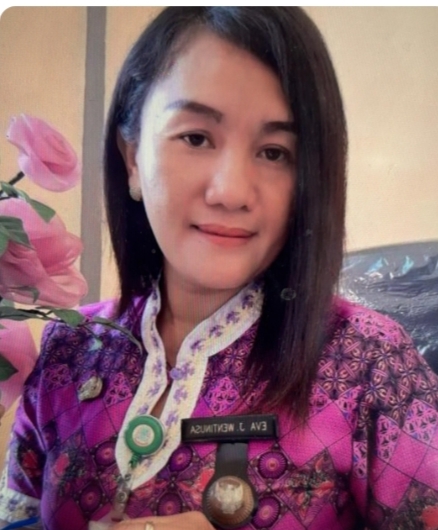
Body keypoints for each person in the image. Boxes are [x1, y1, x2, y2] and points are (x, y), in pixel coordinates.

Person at [0, 7, 437, 530]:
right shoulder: (67, 350)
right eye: (196, 138)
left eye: (274, 152)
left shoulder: (370, 363)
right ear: (132, 158)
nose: (230, 191)